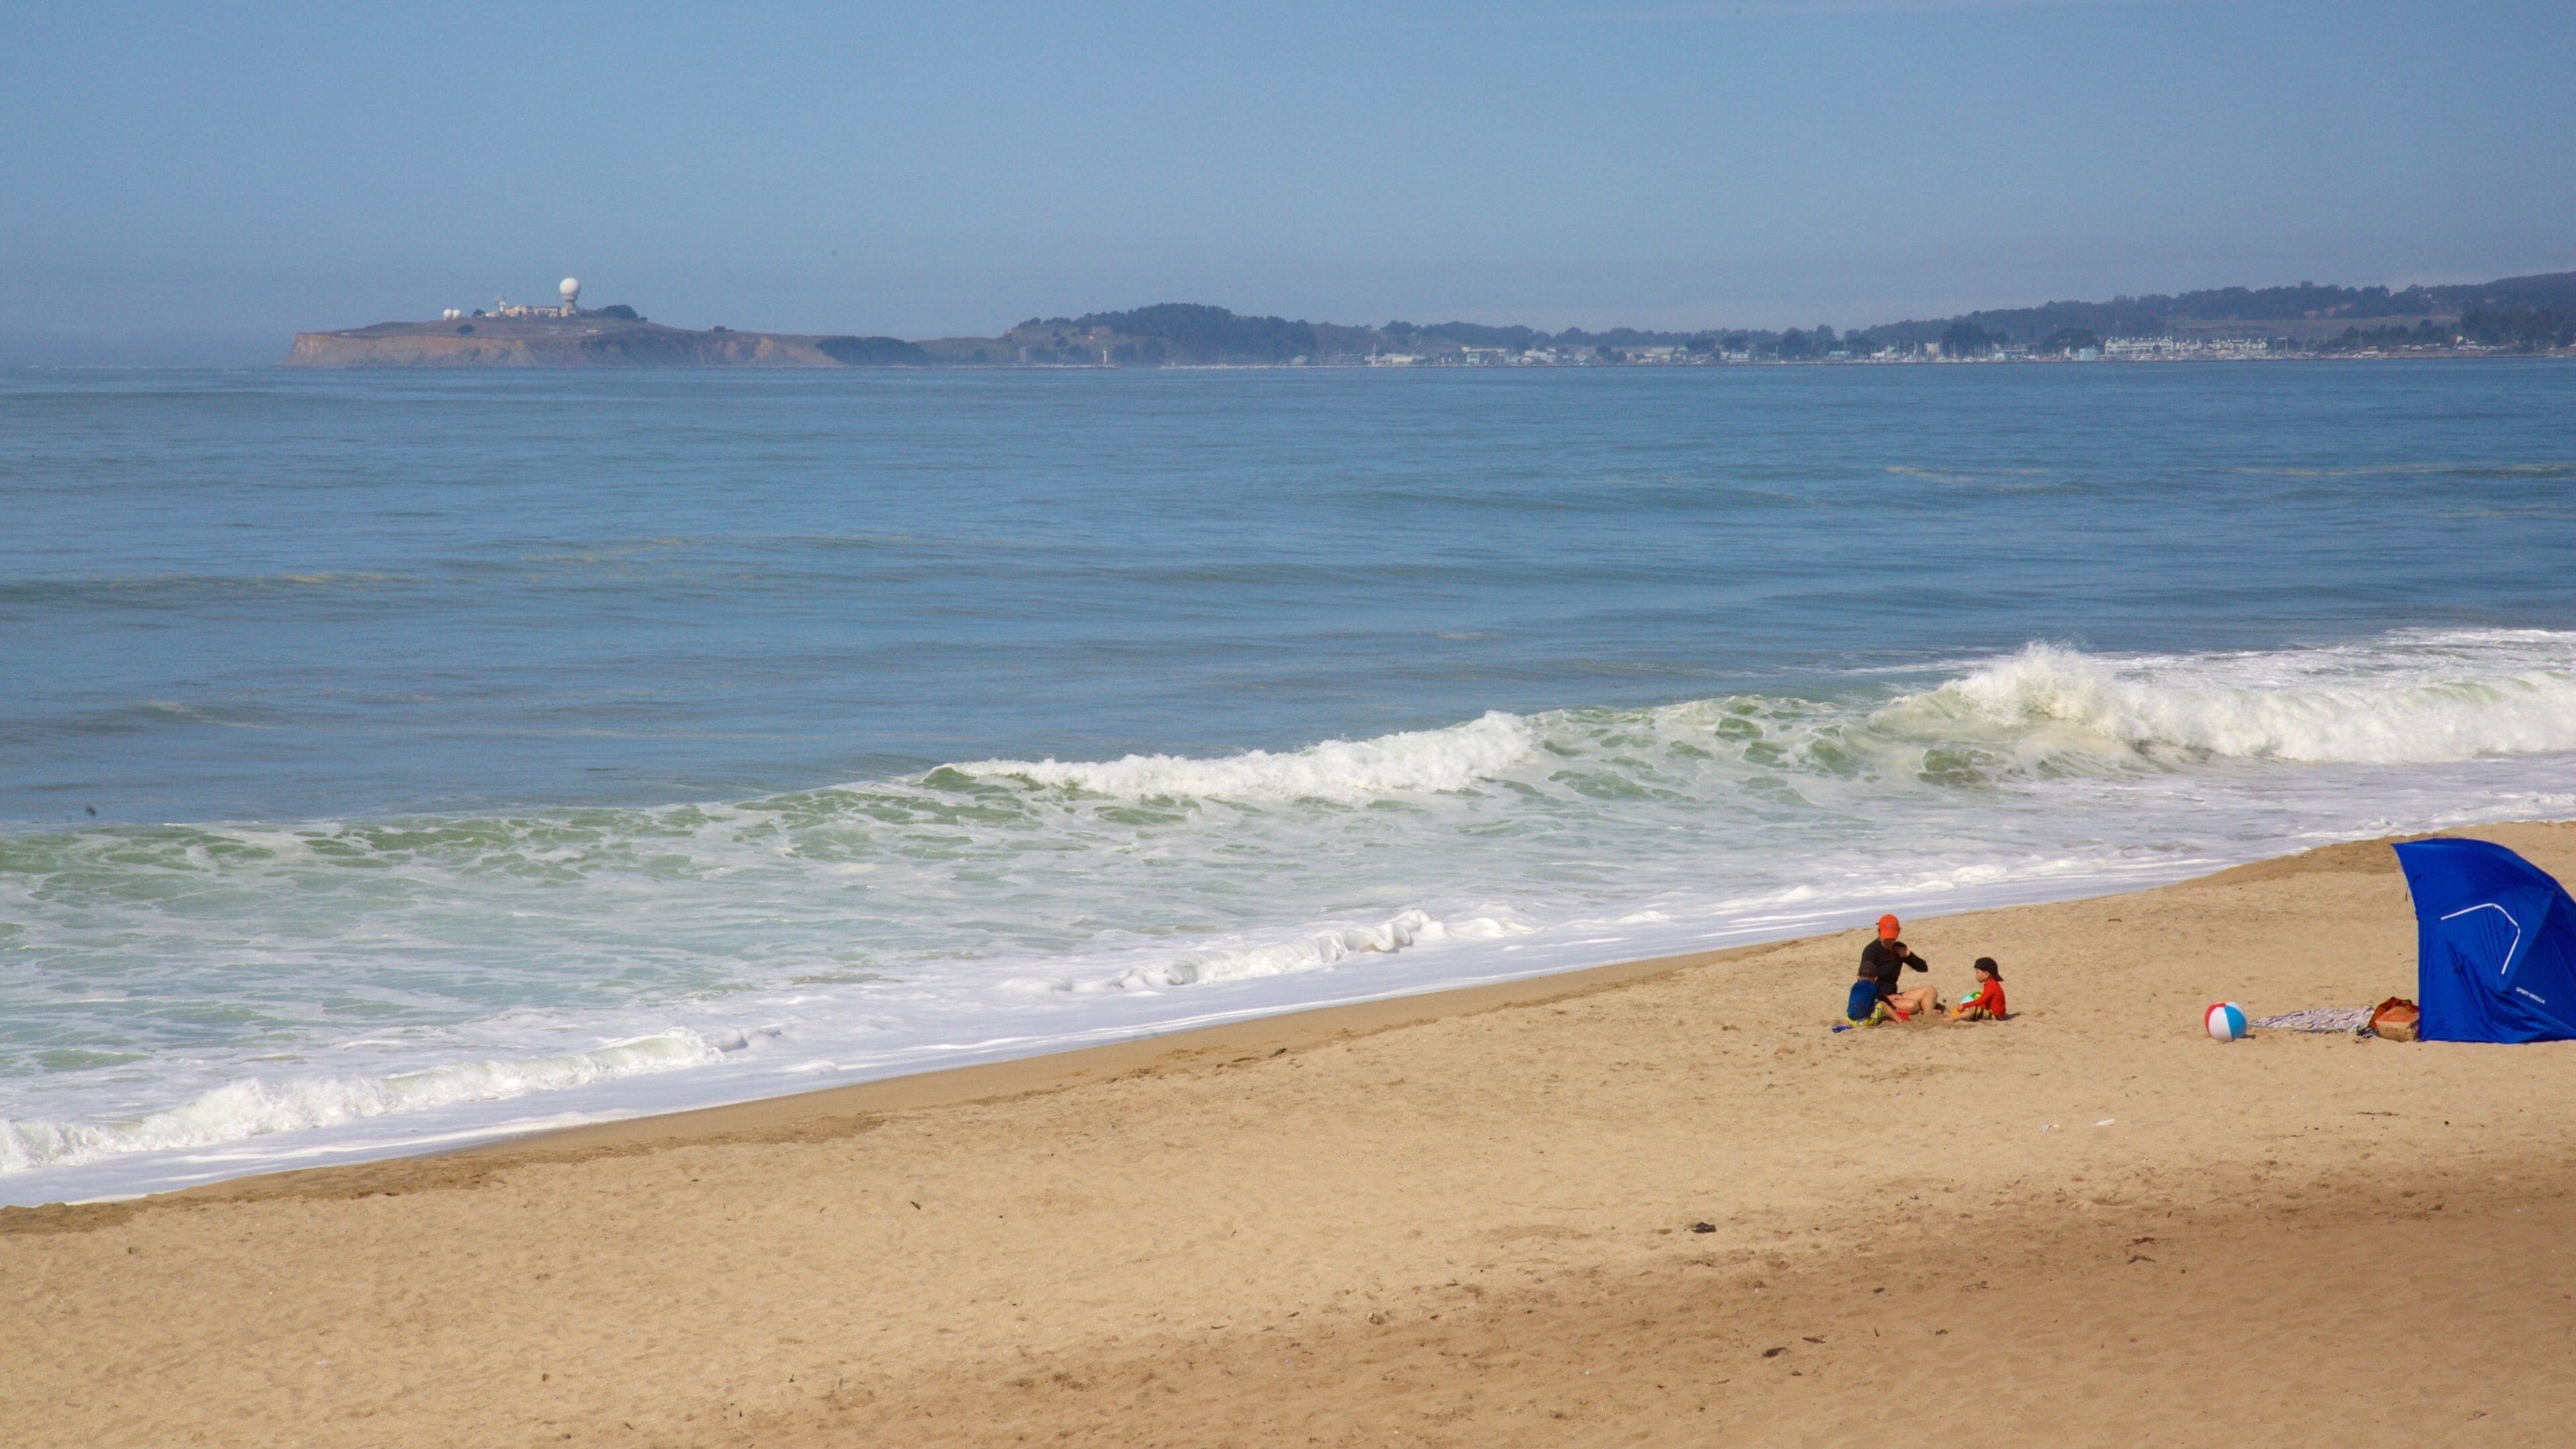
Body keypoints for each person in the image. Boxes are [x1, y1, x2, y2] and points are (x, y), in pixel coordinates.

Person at [1862, 914, 1939, 1019]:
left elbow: (1923, 968)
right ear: (1879, 932)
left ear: (1898, 932)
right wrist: (1886, 997)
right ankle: (1891, 1012)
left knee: (1930, 990)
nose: (1889, 942)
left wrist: (1908, 956)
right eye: (1886, 938)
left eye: (1892, 938)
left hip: (1895, 996)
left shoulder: (1899, 948)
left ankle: (1928, 1015)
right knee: (1912, 1005)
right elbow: (1863, 983)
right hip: (1877, 998)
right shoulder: (1871, 951)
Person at [1949, 957, 2008, 1021]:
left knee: (1973, 1009)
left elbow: (1980, 1001)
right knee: (1973, 1005)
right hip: (1992, 1010)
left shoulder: (1992, 986)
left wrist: (1964, 1005)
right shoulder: (1990, 983)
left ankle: (1952, 1019)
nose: (1976, 975)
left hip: (1996, 1015)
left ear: (1986, 974)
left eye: (1978, 973)